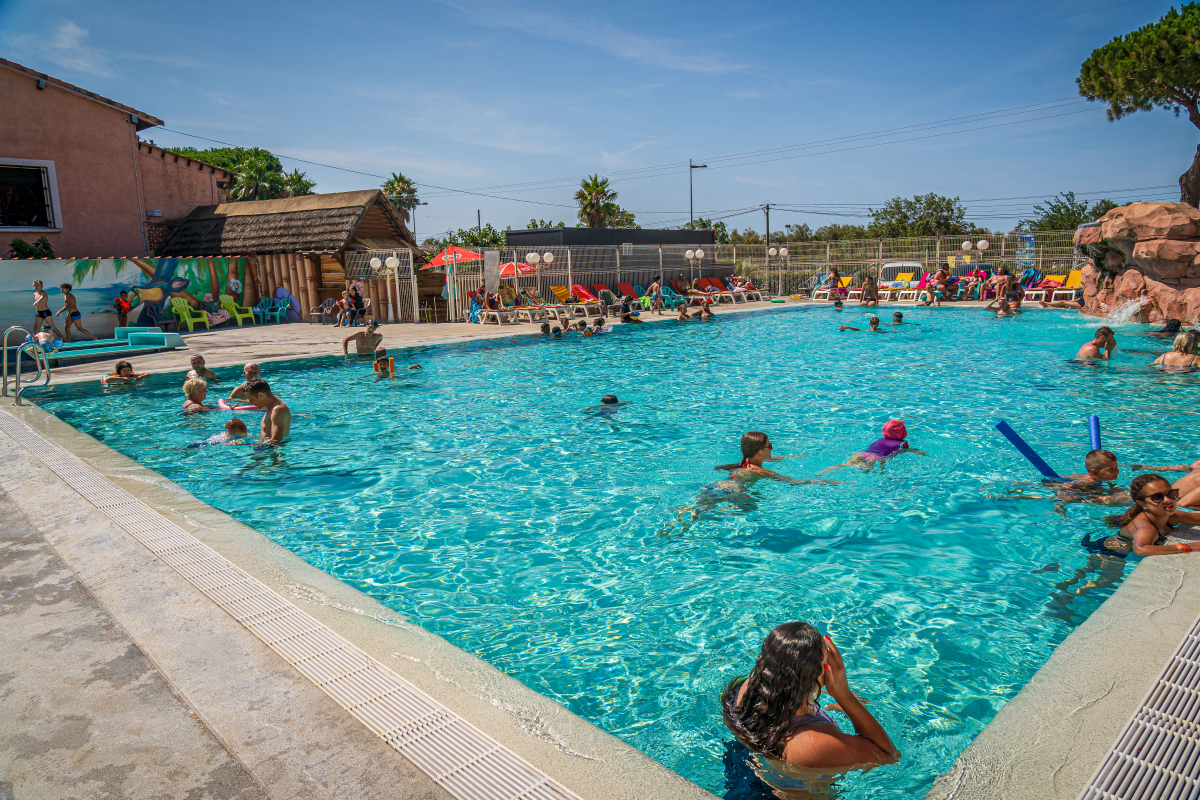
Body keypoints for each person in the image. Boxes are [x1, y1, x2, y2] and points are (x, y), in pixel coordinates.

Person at [721, 623, 900, 774]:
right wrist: (844, 696)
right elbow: (888, 756)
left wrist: (824, 689)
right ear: (809, 678)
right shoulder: (810, 745)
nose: (831, 664)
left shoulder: (749, 689)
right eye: (826, 663)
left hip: (739, 764)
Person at [1102, 474, 1200, 557]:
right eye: (1157, 497)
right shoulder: (1146, 527)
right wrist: (1187, 547)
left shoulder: (1172, 516)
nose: (1167, 500)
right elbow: (1140, 549)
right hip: (1110, 553)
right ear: (1142, 504)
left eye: (1170, 493)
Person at [819, 420, 925, 473]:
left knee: (846, 464)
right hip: (876, 458)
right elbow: (908, 450)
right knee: (866, 469)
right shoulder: (902, 444)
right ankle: (858, 466)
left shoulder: (879, 441)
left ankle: (827, 470)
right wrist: (919, 452)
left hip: (862, 453)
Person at [243, 377, 291, 444]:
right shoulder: (271, 407)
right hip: (267, 449)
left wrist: (245, 444)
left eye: (251, 399)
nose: (251, 403)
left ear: (260, 395)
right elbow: (267, 433)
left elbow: (276, 440)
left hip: (274, 451)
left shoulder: (278, 410)